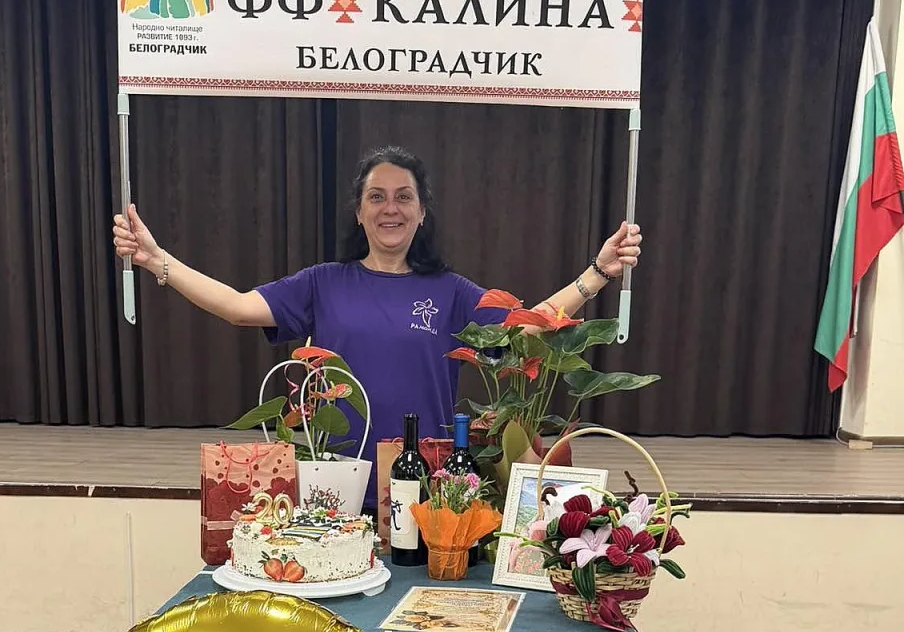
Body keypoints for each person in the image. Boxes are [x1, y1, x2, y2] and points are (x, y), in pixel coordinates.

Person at [112, 145, 642, 498]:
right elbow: (236, 306)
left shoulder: (451, 292)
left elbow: (527, 325)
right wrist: (158, 261)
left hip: (426, 486)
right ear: (359, 212)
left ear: (421, 212)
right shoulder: (323, 283)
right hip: (335, 485)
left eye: (404, 197)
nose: (391, 208)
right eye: (377, 197)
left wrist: (597, 274)